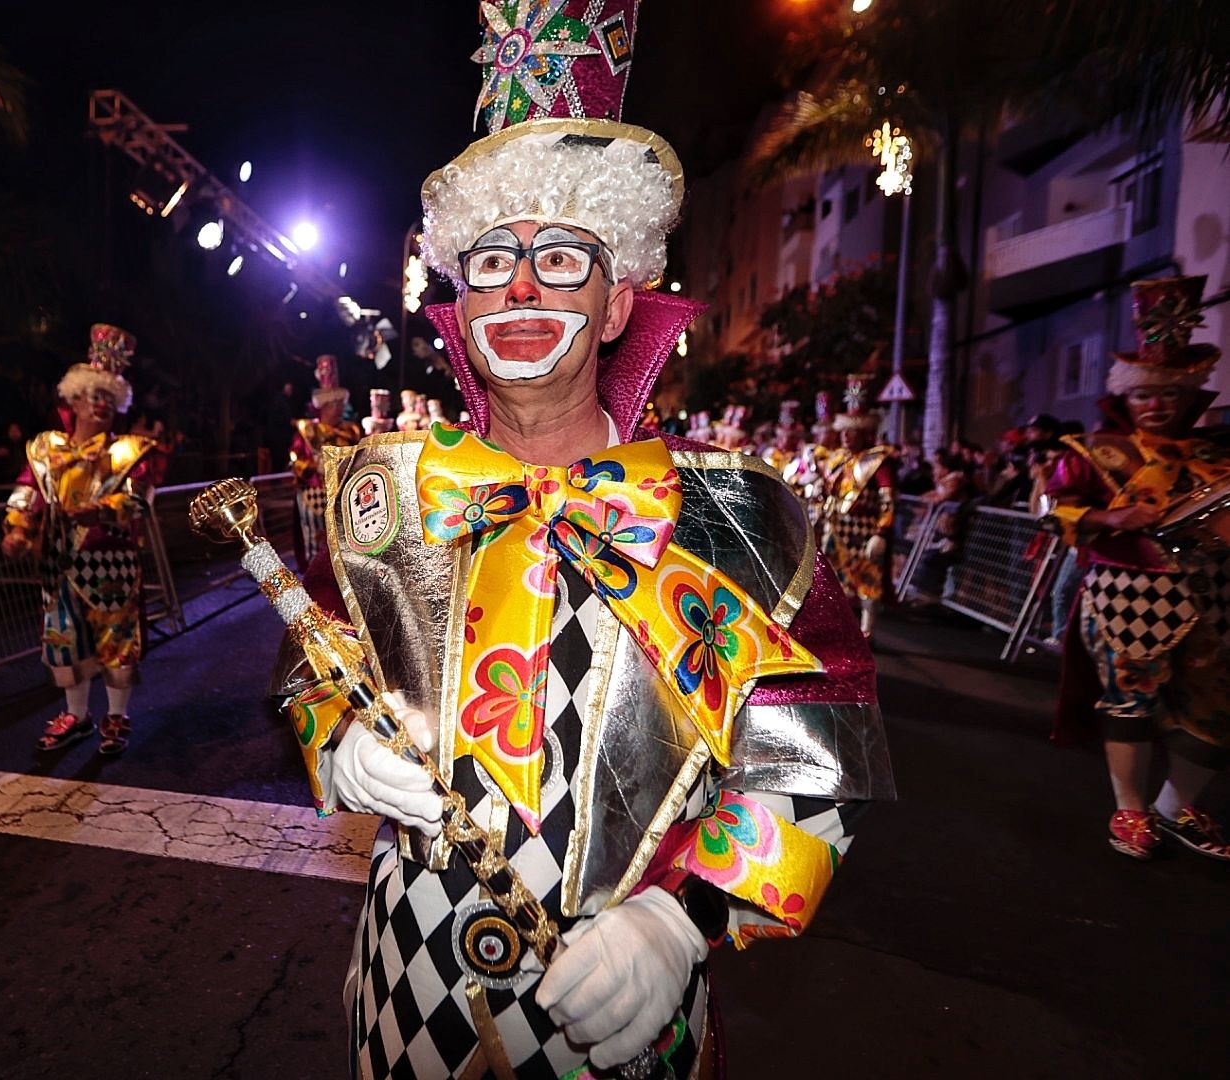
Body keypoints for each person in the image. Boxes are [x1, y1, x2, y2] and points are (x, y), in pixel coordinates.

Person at [270, 5, 892, 1075]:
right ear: (456, 311)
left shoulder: (736, 513)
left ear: (617, 305)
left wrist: (679, 921)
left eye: (561, 259)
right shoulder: (381, 493)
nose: (518, 286)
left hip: (624, 1016)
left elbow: (818, 765)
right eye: (492, 261)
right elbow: (311, 656)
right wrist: (339, 742)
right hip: (404, 981)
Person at [1041, 276, 1230, 862]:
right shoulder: (1094, 451)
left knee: (1216, 705)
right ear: (1126, 397)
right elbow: (1056, 513)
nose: (1157, 403)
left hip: (1212, 592)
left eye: (1168, 394)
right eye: (1145, 394)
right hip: (1127, 591)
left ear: (1190, 396)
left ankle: (1178, 807)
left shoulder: (1217, 456)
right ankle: (1130, 808)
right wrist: (1114, 517)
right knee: (1130, 700)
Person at [1, 324, 157, 757]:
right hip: (58, 561)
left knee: (117, 640)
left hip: (112, 563)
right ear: (74, 400)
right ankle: (77, 715)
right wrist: (17, 529)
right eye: (95, 397)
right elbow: (27, 493)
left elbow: (140, 502)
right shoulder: (45, 449)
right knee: (63, 640)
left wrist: (103, 511)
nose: (102, 406)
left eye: (110, 399)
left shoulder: (129, 453)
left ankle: (117, 716)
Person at [819, 376, 897, 639]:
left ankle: (867, 630)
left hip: (864, 531)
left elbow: (888, 499)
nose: (845, 436)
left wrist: (882, 532)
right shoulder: (837, 459)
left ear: (863, 432)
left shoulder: (878, 460)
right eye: (843, 431)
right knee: (833, 579)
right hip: (836, 528)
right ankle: (836, 625)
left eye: (851, 431)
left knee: (867, 580)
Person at [290, 366, 363, 564]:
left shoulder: (350, 431)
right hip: (314, 492)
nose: (339, 408)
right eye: (334, 404)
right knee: (316, 541)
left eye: (341, 404)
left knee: (344, 539)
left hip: (343, 493)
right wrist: (315, 465)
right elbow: (295, 463)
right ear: (322, 406)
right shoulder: (307, 431)